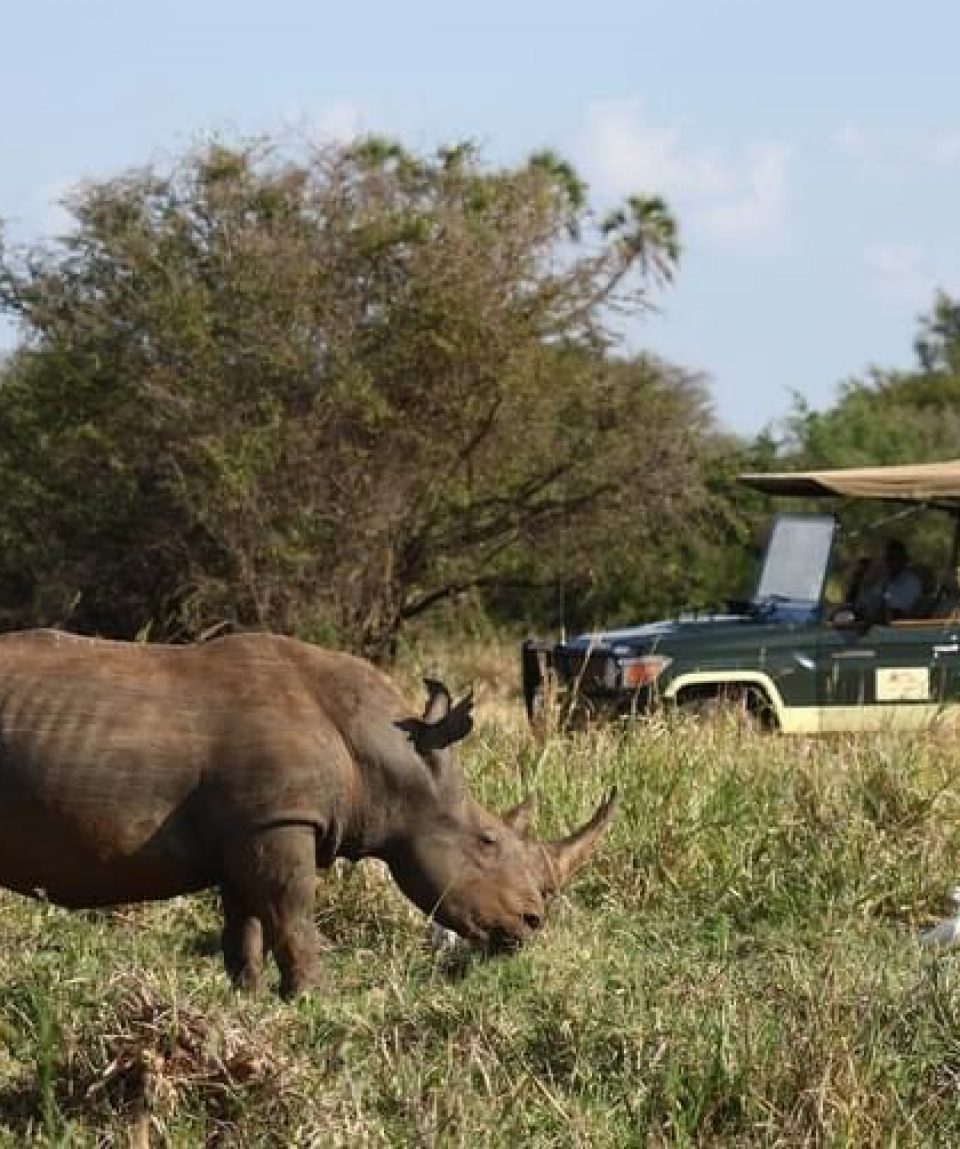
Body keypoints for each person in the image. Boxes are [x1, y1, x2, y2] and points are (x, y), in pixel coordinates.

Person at [848, 538, 923, 622]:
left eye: (897, 558)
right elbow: (864, 604)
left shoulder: (912, 583)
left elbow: (896, 613)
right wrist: (863, 583)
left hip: (897, 629)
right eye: (890, 558)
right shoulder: (884, 580)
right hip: (873, 626)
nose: (893, 562)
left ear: (905, 560)